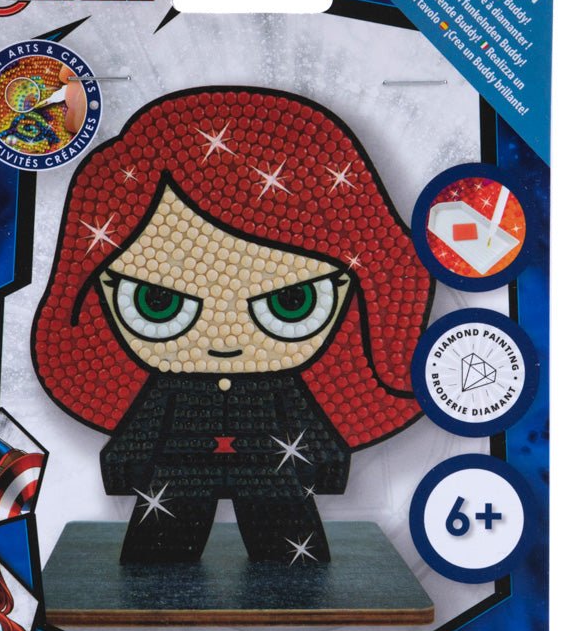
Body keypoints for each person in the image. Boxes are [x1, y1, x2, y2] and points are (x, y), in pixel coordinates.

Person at [32, 87, 433, 564]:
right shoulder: (170, 388)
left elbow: (311, 425)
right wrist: (124, 462)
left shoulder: (280, 388)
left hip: (272, 473)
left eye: (290, 302)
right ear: (102, 285)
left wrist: (329, 463)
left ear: (347, 287)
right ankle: (159, 572)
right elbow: (143, 426)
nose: (224, 333)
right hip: (178, 475)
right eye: (158, 302)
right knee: (159, 554)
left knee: (291, 554)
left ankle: (291, 578)